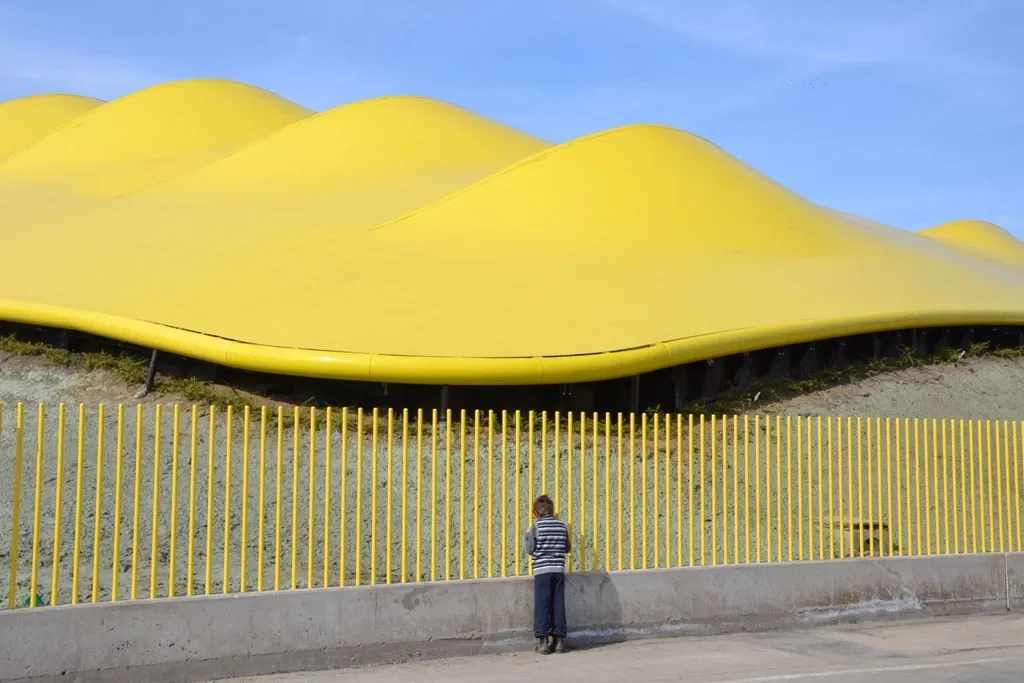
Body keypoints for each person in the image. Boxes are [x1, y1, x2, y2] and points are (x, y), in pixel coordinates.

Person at [525, 494, 570, 654]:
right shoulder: (562, 525)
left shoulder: (536, 527)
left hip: (542, 571)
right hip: (558, 570)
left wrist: (528, 533)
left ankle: (543, 642)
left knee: (542, 605)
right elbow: (567, 548)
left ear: (536, 513)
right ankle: (559, 642)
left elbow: (530, 549)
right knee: (558, 605)